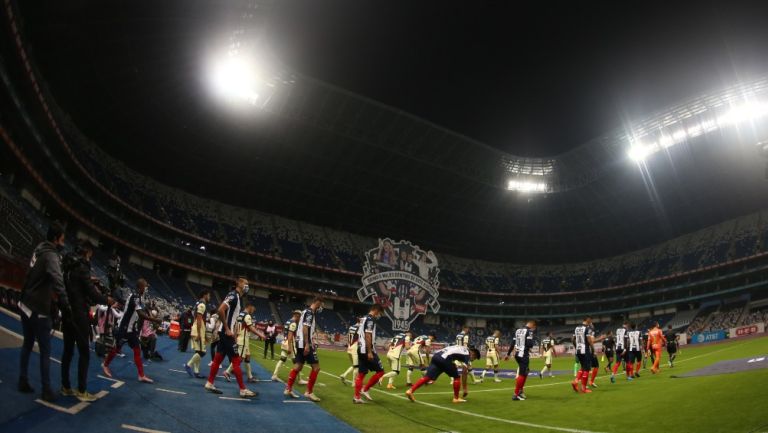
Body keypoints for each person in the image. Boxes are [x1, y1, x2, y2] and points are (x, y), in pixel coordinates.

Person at [18, 222, 70, 402]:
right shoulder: (51, 256)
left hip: (25, 302)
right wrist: (65, 304)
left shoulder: (39, 249)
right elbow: (57, 280)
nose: (63, 243)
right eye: (62, 240)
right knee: (46, 350)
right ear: (56, 239)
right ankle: (46, 389)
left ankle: (22, 379)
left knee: (27, 344)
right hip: (38, 309)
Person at [60, 240, 111, 402]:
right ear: (87, 252)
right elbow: (92, 294)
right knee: (84, 353)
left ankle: (66, 387)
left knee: (68, 350)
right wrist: (107, 299)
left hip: (68, 312)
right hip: (79, 313)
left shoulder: (69, 266)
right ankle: (81, 390)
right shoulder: (83, 268)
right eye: (90, 254)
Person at [203, 277, 257, 398]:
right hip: (227, 333)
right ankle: (243, 390)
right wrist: (227, 329)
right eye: (246, 283)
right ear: (239, 283)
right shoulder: (234, 295)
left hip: (225, 333)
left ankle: (209, 383)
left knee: (218, 359)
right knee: (236, 361)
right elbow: (221, 309)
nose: (247, 286)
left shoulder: (237, 297)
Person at [102, 278, 162, 382]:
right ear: (140, 287)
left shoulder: (138, 297)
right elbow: (141, 314)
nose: (147, 288)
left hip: (131, 328)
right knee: (116, 348)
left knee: (137, 350)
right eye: (145, 286)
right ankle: (105, 365)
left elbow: (140, 313)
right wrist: (155, 319)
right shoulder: (135, 297)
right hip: (124, 327)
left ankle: (141, 375)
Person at [405, 345, 481, 404]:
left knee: (428, 377)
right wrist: (465, 388)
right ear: (473, 354)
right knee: (457, 377)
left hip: (436, 356)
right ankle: (456, 398)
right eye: (474, 358)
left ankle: (410, 390)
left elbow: (452, 354)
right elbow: (464, 372)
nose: (472, 360)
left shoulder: (462, 348)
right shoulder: (467, 353)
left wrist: (452, 363)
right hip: (445, 359)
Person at [284, 296, 325, 402]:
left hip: (299, 342)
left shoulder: (305, 312)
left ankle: (288, 389)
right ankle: (309, 392)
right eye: (321, 304)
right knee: (316, 368)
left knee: (298, 366)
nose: (321, 307)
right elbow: (305, 328)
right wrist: (307, 343)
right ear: (317, 302)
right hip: (305, 343)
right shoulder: (310, 313)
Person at [353, 304, 386, 403]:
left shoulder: (363, 318)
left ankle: (357, 397)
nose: (379, 315)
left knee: (361, 373)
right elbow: (368, 335)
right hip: (366, 349)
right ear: (376, 310)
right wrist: (369, 351)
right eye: (380, 312)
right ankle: (365, 389)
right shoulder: (370, 319)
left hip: (360, 348)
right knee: (381, 371)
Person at [224, 303, 265, 383]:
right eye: (253, 308)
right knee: (239, 359)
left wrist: (235, 338)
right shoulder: (247, 316)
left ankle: (250, 377)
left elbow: (235, 327)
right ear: (249, 306)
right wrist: (261, 335)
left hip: (240, 338)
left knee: (247, 357)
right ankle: (227, 372)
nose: (253, 310)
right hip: (243, 340)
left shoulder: (240, 315)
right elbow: (251, 328)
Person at [505, 320, 536, 400]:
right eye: (534, 328)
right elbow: (530, 344)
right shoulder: (529, 331)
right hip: (523, 354)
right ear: (532, 325)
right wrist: (530, 345)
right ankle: (516, 394)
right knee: (522, 374)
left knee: (525, 371)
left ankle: (520, 391)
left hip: (517, 354)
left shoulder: (518, 330)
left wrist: (508, 354)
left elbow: (512, 343)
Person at [184, 290, 211, 378]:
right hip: (198, 329)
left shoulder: (198, 303)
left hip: (196, 328)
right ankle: (188, 365)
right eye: (208, 295)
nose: (209, 297)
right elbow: (199, 319)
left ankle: (196, 372)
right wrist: (200, 333)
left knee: (198, 351)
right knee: (202, 352)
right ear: (205, 295)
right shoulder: (202, 305)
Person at [272, 310, 301, 381]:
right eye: (300, 316)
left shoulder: (288, 321)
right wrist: (290, 347)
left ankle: (274, 375)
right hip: (290, 343)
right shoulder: (293, 323)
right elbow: (290, 335)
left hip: (284, 342)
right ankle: (299, 379)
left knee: (282, 359)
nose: (300, 318)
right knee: (297, 362)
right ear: (297, 315)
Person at [571, 317, 595, 394]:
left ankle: (575, 381)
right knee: (587, 369)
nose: (591, 321)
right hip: (585, 350)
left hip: (578, 350)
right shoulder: (586, 329)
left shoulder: (577, 328)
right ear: (587, 320)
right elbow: (589, 340)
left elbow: (572, 339)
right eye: (590, 320)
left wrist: (576, 347)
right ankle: (584, 388)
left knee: (583, 367)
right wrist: (593, 349)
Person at [339, 318, 360, 385]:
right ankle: (354, 383)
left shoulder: (351, 327)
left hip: (349, 347)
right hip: (355, 347)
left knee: (354, 365)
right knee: (357, 366)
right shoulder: (360, 328)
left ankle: (344, 375)